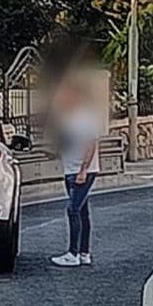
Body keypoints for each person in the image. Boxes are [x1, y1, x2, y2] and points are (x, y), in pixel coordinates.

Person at [50, 74, 105, 268]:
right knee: (82, 212)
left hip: (83, 171)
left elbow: (91, 145)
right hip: (70, 169)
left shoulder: (87, 117)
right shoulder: (68, 117)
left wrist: (83, 170)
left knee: (72, 210)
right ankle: (84, 253)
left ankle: (73, 253)